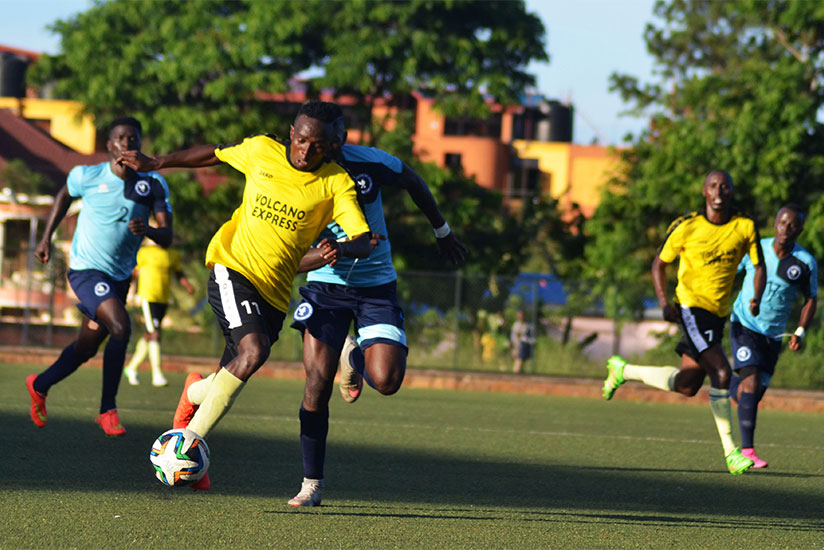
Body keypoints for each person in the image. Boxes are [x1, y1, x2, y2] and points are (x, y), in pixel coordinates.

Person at [117, 101, 372, 491]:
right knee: (254, 352)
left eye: (318, 145)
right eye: (301, 140)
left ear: (335, 144)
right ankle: (188, 443)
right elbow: (214, 154)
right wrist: (158, 162)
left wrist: (344, 248)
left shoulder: (336, 182)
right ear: (291, 133)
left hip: (274, 291)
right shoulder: (261, 151)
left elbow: (361, 238)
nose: (306, 151)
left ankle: (194, 391)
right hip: (232, 267)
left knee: (231, 374)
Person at [287, 108, 467, 506]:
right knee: (316, 384)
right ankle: (311, 483)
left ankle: (352, 359)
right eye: (314, 142)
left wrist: (442, 231)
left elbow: (413, 181)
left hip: (376, 288)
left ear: (341, 137)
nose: (323, 149)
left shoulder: (369, 161)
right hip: (324, 288)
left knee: (386, 381)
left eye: (331, 141)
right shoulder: (290, 173)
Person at [601, 170, 766, 475]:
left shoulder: (745, 226)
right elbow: (658, 264)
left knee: (687, 385)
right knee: (721, 371)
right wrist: (664, 303)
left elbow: (759, 266)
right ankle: (732, 453)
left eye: (725, 186)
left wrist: (756, 296)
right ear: (705, 191)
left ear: (731, 192)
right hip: (690, 308)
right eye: (714, 186)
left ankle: (623, 370)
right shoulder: (687, 226)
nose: (720, 190)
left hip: (717, 315)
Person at [26, 116, 173, 437]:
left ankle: (39, 384)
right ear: (109, 145)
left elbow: (167, 236)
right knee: (121, 327)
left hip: (119, 279)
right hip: (85, 270)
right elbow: (64, 196)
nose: (127, 144)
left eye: (133, 139)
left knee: (87, 347)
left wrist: (148, 229)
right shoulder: (87, 175)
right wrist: (45, 237)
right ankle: (107, 409)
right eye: (120, 138)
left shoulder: (153, 184)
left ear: (140, 143)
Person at [728, 204, 817, 468]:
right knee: (752, 384)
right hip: (744, 324)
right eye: (781, 222)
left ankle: (722, 378)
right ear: (775, 223)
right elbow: (731, 272)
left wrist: (800, 331)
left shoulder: (805, 262)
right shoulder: (757, 249)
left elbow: (811, 299)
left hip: (773, 336)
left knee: (749, 395)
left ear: (799, 229)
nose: (785, 229)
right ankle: (746, 452)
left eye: (792, 225)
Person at [123, 241, 195, 387]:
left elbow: (178, 272)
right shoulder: (145, 252)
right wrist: (126, 290)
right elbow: (134, 273)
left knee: (149, 335)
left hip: (163, 299)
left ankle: (132, 367)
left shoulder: (172, 254)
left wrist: (187, 285)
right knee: (155, 333)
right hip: (148, 297)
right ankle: (157, 374)